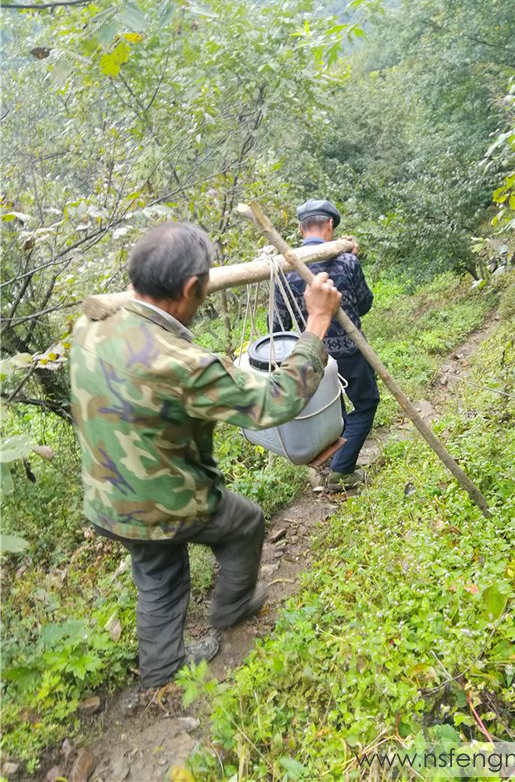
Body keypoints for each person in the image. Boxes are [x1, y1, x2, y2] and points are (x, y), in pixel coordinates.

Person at [70, 221, 341, 689]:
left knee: (159, 573)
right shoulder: (182, 364)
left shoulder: (91, 323)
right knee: (245, 522)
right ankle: (232, 607)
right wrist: (316, 322)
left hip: (107, 500)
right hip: (163, 505)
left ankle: (161, 667)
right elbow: (276, 401)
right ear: (193, 288)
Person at [274, 199, 379, 492]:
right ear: (330, 225)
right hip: (351, 351)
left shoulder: (284, 269)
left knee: (334, 408)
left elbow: (278, 326)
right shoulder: (346, 260)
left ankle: (334, 463)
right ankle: (340, 471)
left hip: (314, 355)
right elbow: (366, 302)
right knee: (367, 403)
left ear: (300, 228)